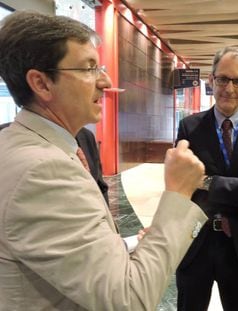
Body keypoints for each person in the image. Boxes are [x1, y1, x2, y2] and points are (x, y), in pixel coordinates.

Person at [0, 11, 207, 310]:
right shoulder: (43, 172)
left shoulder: (24, 145)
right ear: (42, 84)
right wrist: (178, 193)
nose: (106, 81)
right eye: (88, 68)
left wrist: (131, 246)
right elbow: (130, 300)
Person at [175, 47, 238, 311]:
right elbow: (183, 182)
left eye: (236, 81)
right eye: (222, 79)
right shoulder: (190, 127)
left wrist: (207, 182)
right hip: (196, 241)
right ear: (211, 80)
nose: (228, 88)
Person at [0, 123, 109, 204]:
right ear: (43, 90)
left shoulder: (86, 136)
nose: (102, 90)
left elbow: (100, 187)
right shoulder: (7, 137)